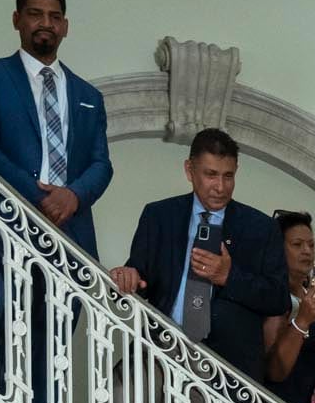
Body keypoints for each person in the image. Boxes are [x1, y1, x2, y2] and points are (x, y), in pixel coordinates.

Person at [113, 127, 288, 381]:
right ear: (189, 170)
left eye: (228, 176)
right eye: (211, 174)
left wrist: (229, 276)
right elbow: (140, 275)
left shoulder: (261, 228)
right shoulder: (159, 216)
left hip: (227, 363)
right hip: (162, 343)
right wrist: (128, 276)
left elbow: (278, 298)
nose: (220, 186)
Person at [0, 0, 110, 258]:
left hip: (73, 232)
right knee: (4, 304)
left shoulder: (89, 95)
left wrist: (73, 196)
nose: (46, 23)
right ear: (17, 20)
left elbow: (101, 164)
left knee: (71, 304)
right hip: (7, 224)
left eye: (54, 17)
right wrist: (43, 198)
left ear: (65, 26)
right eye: (35, 14)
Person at [263, 210, 315, 403]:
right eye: (297, 245)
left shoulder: (309, 295)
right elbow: (274, 370)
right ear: (278, 249)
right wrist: (302, 321)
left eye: (311, 245)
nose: (307, 251)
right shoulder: (274, 295)